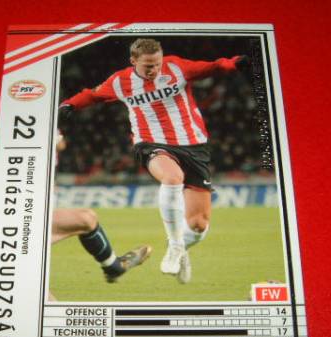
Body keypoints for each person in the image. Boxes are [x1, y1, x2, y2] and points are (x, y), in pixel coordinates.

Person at [58, 38, 248, 283]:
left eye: (157, 64)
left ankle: (180, 247)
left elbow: (212, 67)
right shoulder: (120, 81)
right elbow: (92, 95)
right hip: (151, 143)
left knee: (199, 225)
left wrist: (234, 63)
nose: (154, 70)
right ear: (133, 61)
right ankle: (176, 246)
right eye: (148, 66)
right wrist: (69, 105)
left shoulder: (176, 67)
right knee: (172, 178)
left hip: (193, 145)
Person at [51, 134, 151, 284]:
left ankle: (113, 267)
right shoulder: (41, 130)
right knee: (86, 218)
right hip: (26, 218)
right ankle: (114, 267)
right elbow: (60, 143)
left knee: (87, 218)